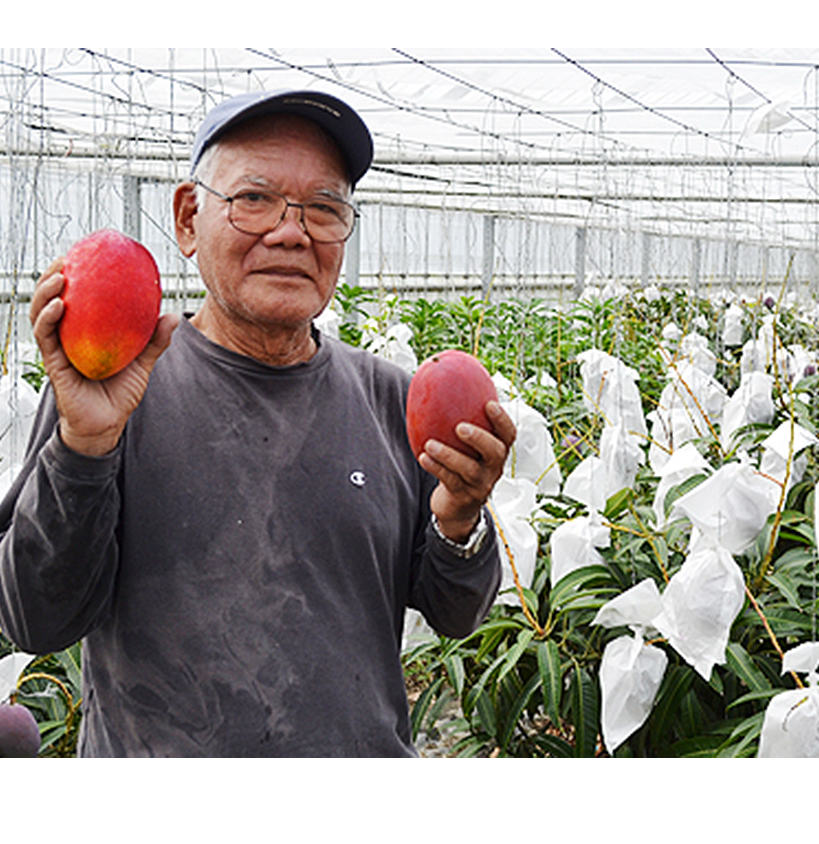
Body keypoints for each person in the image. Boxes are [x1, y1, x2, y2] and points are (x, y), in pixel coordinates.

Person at [0, 89, 515, 757]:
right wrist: (84, 450)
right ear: (189, 218)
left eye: (324, 208)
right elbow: (35, 620)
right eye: (254, 199)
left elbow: (456, 615)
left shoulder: (391, 400)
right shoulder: (114, 395)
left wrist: (460, 524)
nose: (291, 231)